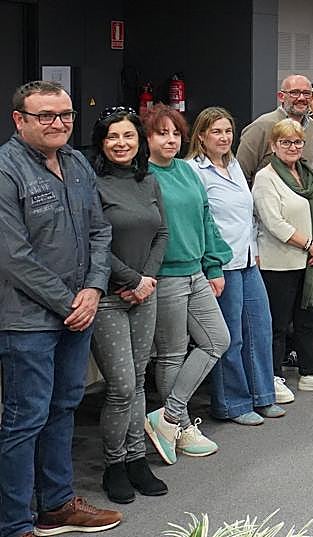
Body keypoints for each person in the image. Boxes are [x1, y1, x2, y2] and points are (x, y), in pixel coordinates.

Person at [0, 81, 122, 537]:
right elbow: (13, 256)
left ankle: (56, 503)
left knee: (64, 406)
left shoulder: (75, 163)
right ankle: (14, 522)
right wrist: (69, 300)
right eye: (46, 116)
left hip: (79, 312)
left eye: (66, 114)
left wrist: (92, 289)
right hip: (26, 320)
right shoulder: (6, 169)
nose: (59, 123)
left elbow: (100, 232)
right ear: (20, 120)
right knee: (23, 417)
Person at [142, 104, 231, 465]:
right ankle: (175, 426)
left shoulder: (186, 170)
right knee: (173, 352)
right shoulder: (143, 176)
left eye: (175, 133)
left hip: (195, 271)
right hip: (165, 276)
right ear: (146, 138)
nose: (170, 139)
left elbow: (206, 220)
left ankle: (168, 417)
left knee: (217, 340)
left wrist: (214, 266)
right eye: (162, 133)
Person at [89, 108, 169, 504]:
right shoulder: (92, 184)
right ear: (101, 143)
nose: (121, 144)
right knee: (120, 387)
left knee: (139, 382)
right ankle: (114, 465)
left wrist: (147, 280)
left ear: (139, 142)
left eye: (128, 136)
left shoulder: (148, 180)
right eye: (112, 137)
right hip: (106, 298)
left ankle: (137, 458)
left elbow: (163, 233)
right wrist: (131, 280)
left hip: (145, 293)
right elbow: (94, 242)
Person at [185, 108, 280, 427]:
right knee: (231, 337)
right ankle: (232, 403)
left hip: (248, 259)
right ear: (201, 136)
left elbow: (246, 213)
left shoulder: (235, 165)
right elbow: (200, 221)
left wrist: (255, 249)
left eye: (228, 131)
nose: (224, 137)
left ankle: (262, 395)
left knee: (260, 328)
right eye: (216, 132)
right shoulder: (193, 171)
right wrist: (210, 265)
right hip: (221, 265)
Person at [252, 119, 313, 398]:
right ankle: (274, 377)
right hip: (280, 263)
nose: (292, 147)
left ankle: (310, 373)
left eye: (297, 142)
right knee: (278, 324)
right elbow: (273, 223)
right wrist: (310, 245)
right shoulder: (265, 178)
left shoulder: (311, 173)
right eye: (285, 142)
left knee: (309, 320)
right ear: (273, 146)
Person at [235, 74, 313, 183]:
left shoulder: (311, 126)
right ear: (281, 96)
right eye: (294, 93)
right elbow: (241, 174)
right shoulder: (261, 126)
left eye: (306, 93)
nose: (301, 98)